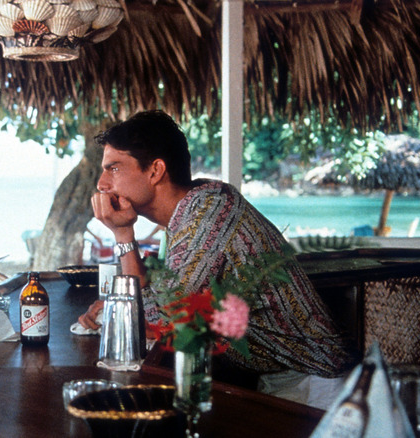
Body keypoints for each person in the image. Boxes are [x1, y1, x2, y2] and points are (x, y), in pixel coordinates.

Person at [77, 110, 359, 408]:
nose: (102, 183)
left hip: (317, 384)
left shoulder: (209, 213)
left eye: (114, 168)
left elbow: (161, 321)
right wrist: (120, 307)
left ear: (155, 171)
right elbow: (158, 305)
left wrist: (123, 236)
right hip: (277, 378)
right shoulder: (187, 214)